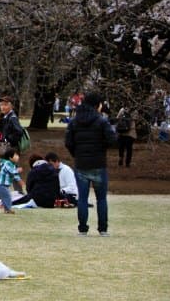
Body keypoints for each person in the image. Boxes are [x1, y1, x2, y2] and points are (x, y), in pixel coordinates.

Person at [65, 91, 117, 236]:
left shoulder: (75, 121)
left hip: (81, 163)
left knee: (82, 198)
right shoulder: (102, 121)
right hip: (98, 163)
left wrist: (77, 154)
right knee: (101, 198)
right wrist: (103, 148)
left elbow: (68, 142)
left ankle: (82, 229)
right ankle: (103, 229)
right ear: (97, 105)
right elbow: (112, 140)